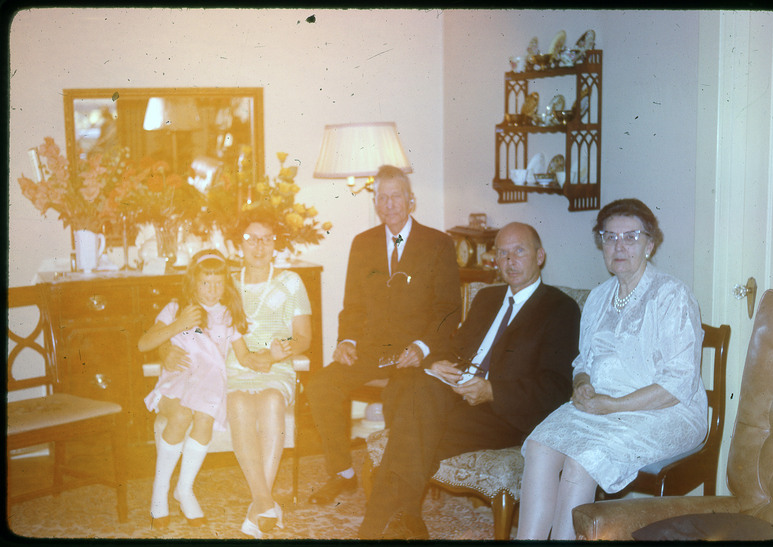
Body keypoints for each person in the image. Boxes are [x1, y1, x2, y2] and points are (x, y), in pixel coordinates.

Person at [358, 222, 581, 539]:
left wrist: (491, 391)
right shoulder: (487, 298)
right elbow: (453, 346)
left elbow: (556, 387)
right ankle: (406, 520)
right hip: (453, 396)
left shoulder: (560, 309)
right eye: (502, 253)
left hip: (503, 413)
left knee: (413, 427)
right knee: (418, 388)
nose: (509, 261)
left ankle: (376, 526)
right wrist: (439, 364)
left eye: (519, 251)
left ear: (540, 256)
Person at [516, 198, 707, 540]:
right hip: (600, 406)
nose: (619, 246)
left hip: (667, 411)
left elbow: (678, 384)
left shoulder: (672, 296)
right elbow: (583, 362)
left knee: (582, 459)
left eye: (631, 237)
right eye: (610, 237)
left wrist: (613, 406)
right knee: (540, 444)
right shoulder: (598, 297)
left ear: (650, 244)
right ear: (601, 243)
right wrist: (583, 383)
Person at [306, 165, 461, 506]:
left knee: (400, 398)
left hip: (416, 352)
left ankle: (400, 487)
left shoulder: (438, 243)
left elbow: (448, 308)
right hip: (374, 351)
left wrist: (422, 347)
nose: (389, 204)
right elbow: (353, 306)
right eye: (382, 198)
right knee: (321, 386)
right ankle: (343, 474)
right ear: (375, 203)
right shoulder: (362, 245)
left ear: (411, 201)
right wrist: (346, 341)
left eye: (396, 197)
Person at [160, 210, 312, 538]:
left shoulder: (290, 282)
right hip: (232, 369)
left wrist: (274, 354)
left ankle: (259, 503)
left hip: (275, 367)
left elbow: (304, 337)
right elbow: (183, 317)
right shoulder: (226, 283)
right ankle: (265, 502)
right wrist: (164, 350)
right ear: (238, 244)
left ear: (275, 243)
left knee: (271, 401)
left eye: (266, 239)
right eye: (251, 239)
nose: (259, 246)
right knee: (240, 404)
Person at [140, 249, 254, 528]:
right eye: (205, 282)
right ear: (193, 282)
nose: (212, 290)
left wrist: (272, 356)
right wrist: (179, 324)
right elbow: (144, 344)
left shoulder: (229, 314)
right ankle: (160, 491)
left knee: (204, 417)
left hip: (210, 382)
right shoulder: (176, 308)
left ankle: (184, 489)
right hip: (178, 377)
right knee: (180, 416)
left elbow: (244, 355)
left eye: (218, 283)